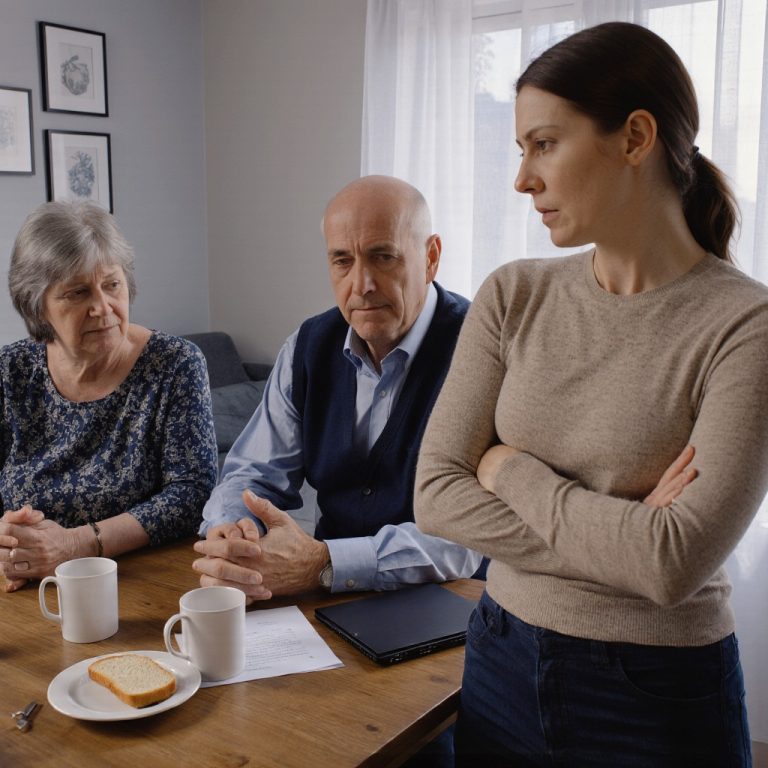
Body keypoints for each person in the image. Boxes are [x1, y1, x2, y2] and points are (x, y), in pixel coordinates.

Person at [414, 21, 768, 768]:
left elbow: (672, 565)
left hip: (658, 695)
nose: (522, 178)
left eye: (544, 144)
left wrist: (511, 471)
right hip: (501, 661)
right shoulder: (512, 295)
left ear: (635, 137)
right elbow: (437, 494)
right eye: (520, 150)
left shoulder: (746, 326)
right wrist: (625, 538)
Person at [194, 175, 481, 601]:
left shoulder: (482, 350)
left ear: (431, 256)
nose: (361, 284)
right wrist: (234, 532)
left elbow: (467, 540)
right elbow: (252, 474)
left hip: (455, 605)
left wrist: (323, 563)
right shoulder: (308, 346)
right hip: (327, 597)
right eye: (342, 261)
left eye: (383, 257)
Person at [0, 201, 217, 593]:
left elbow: (191, 493)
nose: (102, 307)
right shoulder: (10, 370)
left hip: (143, 582)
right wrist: (8, 543)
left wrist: (75, 544)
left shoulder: (174, 364)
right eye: (78, 292)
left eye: (112, 285)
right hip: (29, 585)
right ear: (38, 305)